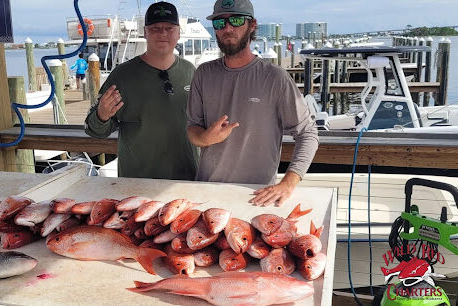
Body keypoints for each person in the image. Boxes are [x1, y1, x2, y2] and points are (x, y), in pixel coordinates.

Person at [186, 0, 319, 206]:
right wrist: (205, 138)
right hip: (206, 192)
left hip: (256, 196)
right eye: (220, 23)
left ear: (252, 25)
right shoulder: (203, 73)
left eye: (236, 20)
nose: (228, 28)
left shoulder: (276, 78)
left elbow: (308, 133)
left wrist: (288, 183)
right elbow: (192, 130)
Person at [84, 1, 197, 180]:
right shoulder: (122, 76)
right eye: (155, 28)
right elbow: (95, 130)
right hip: (137, 182)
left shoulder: (191, 71)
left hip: (187, 179)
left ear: (178, 32)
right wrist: (102, 115)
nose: (163, 33)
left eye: (169, 28)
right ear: (145, 32)